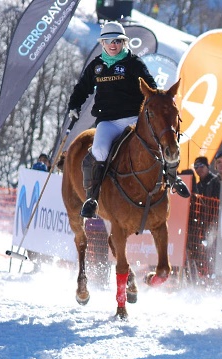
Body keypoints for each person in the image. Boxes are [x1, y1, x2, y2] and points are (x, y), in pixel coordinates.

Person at [67, 21, 189, 219]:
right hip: (108, 121)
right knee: (98, 150)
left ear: (123, 42)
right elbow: (82, 88)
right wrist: (74, 106)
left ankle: (173, 178)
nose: (113, 45)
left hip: (133, 119)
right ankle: (92, 198)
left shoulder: (133, 63)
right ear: (103, 43)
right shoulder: (96, 66)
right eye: (108, 41)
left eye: (117, 41)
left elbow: (150, 86)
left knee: (159, 142)